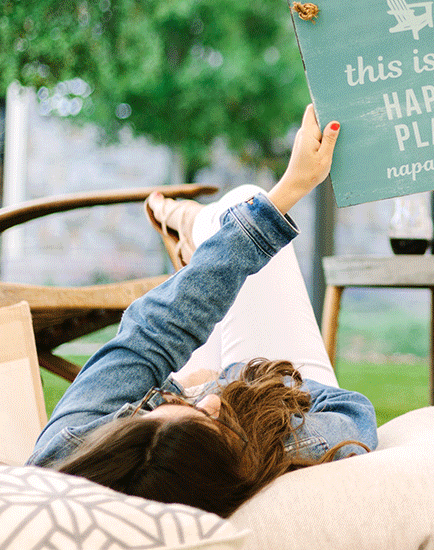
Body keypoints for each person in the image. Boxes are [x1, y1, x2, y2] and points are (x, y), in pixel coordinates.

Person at [28, 106, 378, 517]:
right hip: (237, 406)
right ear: (232, 466)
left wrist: (292, 186)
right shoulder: (238, 464)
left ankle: (201, 229)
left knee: (237, 222)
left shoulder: (68, 452)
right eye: (213, 421)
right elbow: (352, 412)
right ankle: (201, 227)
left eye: (158, 405)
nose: (205, 402)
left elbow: (153, 332)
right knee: (242, 199)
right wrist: (236, 385)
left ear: (123, 433)